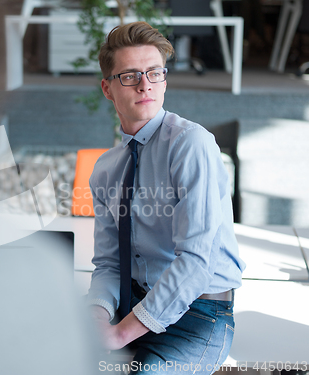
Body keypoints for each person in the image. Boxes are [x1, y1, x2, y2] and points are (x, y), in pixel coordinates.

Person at [87, 21, 246, 374]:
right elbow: (110, 264)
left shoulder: (191, 143)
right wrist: (97, 314)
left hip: (199, 314)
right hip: (134, 305)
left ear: (164, 80)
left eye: (154, 73)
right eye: (129, 76)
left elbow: (195, 261)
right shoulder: (105, 169)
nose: (144, 84)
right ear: (107, 89)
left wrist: (118, 336)